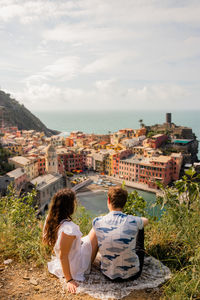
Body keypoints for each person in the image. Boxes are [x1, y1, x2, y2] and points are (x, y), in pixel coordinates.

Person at [43, 188, 98, 294]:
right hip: (76, 266)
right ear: (70, 206)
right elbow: (63, 255)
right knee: (96, 230)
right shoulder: (69, 229)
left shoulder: (50, 219)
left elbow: (57, 247)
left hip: (67, 261)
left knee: (85, 239)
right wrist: (69, 280)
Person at [92, 186, 148, 281]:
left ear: (108, 200)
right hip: (132, 274)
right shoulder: (133, 221)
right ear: (124, 203)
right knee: (140, 227)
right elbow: (146, 220)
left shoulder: (97, 221)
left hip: (107, 273)